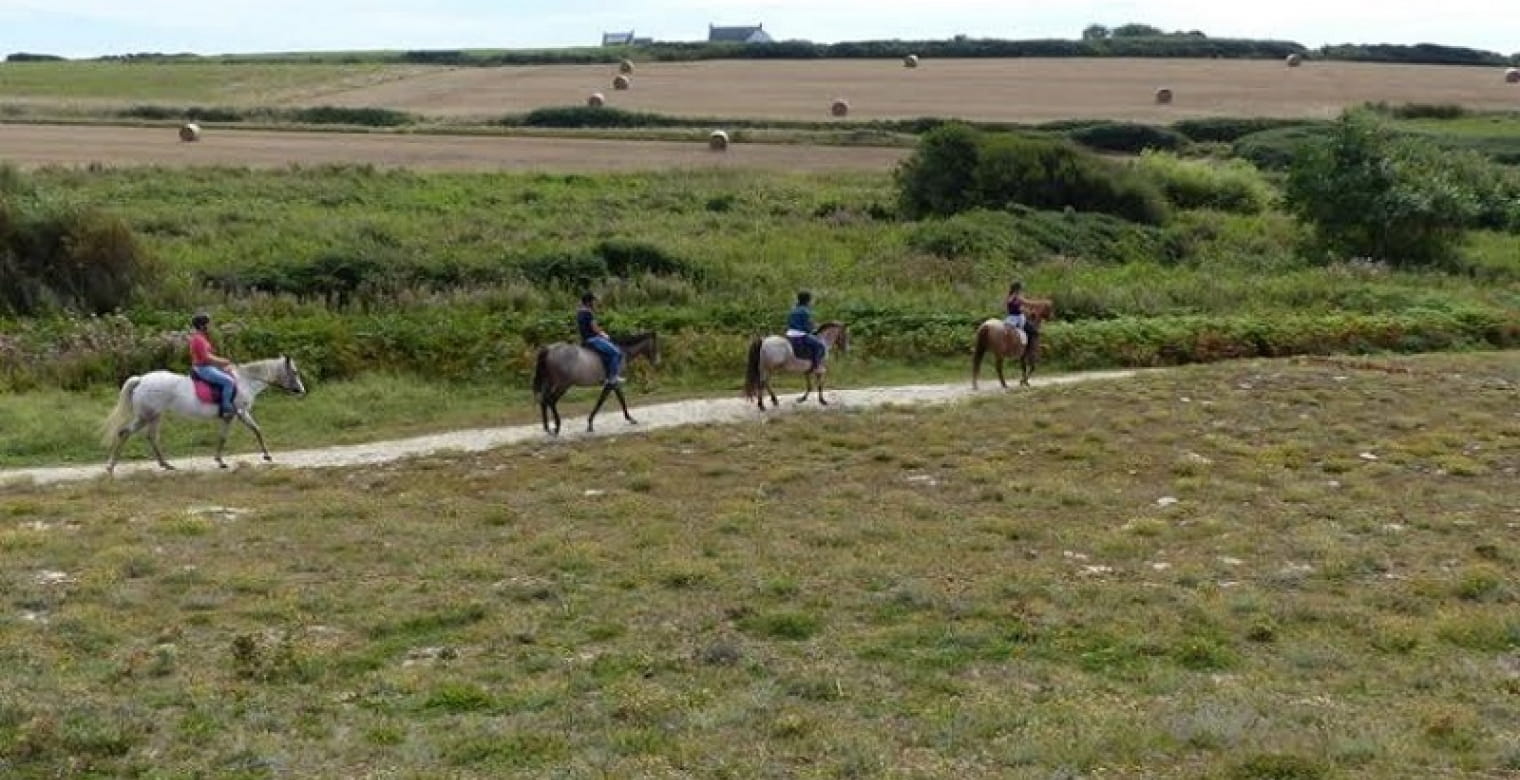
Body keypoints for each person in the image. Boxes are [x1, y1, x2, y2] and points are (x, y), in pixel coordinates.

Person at [188, 312, 237, 419]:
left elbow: (209, 354)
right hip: (203, 368)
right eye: (208, 323)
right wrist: (223, 361)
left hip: (207, 366)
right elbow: (206, 357)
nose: (210, 326)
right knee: (229, 382)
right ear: (202, 326)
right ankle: (226, 409)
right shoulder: (198, 339)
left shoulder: (201, 337)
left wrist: (220, 361)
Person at [577, 292, 623, 386]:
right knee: (616, 353)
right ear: (589, 302)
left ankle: (606, 374)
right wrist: (603, 334)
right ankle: (613, 378)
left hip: (585, 339)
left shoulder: (579, 312)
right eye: (593, 301)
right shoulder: (588, 313)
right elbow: (594, 327)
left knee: (607, 354)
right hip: (593, 339)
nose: (594, 303)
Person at [785, 290, 826, 373]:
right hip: (800, 334)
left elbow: (789, 322)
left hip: (789, 334)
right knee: (820, 346)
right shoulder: (805, 311)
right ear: (807, 300)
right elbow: (807, 326)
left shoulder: (793, 309)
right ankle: (816, 366)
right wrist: (814, 329)